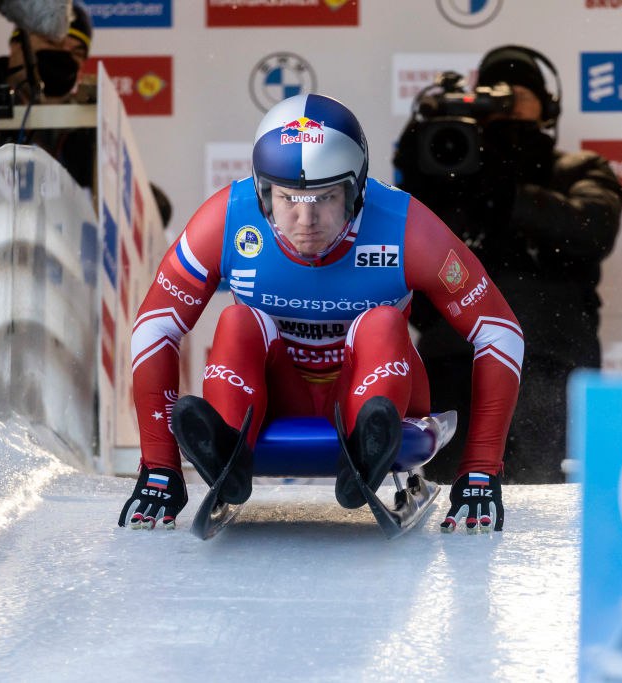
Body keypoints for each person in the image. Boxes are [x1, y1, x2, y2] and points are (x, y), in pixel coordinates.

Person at [118, 93, 524, 534]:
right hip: (275, 392)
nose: (305, 219)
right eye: (287, 198)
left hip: (375, 388)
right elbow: (156, 324)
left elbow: (498, 330)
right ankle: (230, 456)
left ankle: (367, 446)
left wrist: (480, 467)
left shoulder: (404, 225)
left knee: (382, 322)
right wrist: (160, 466)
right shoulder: (227, 218)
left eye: (326, 197)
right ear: (261, 191)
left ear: (357, 190)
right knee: (237, 323)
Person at [393, 45, 622, 485]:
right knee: (451, 491)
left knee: (544, 492)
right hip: (455, 358)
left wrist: (512, 194)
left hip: (550, 355)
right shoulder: (450, 171)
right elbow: (405, 232)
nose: (511, 106)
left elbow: (592, 230)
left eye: (522, 95)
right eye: (498, 97)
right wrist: (419, 149)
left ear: (547, 107)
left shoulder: (579, 168)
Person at [0, 2, 95, 190]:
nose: (63, 56)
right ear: (17, 44)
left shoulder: (82, 133)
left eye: (76, 52)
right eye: (51, 42)